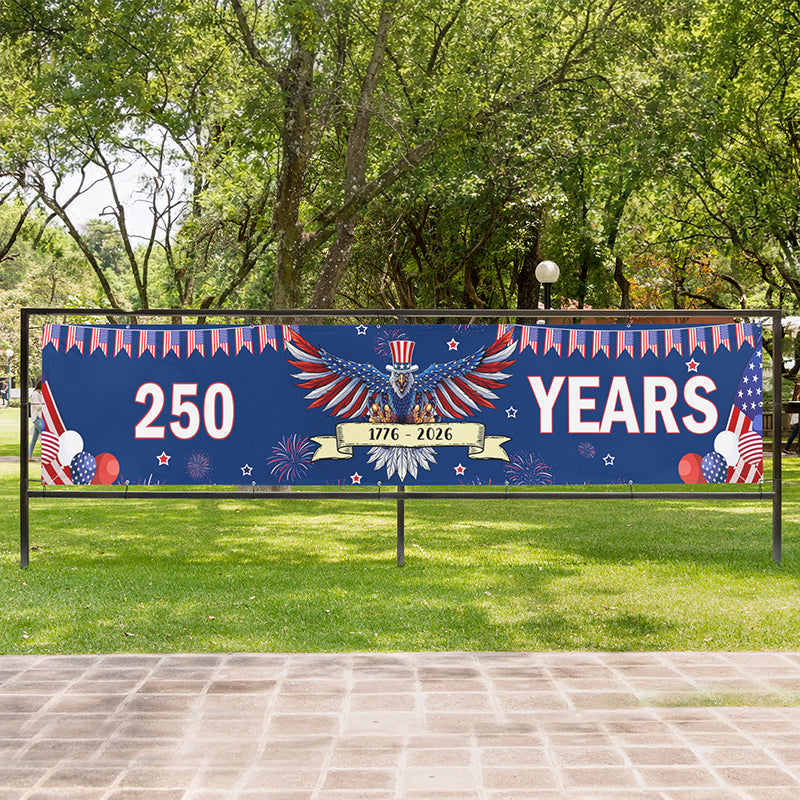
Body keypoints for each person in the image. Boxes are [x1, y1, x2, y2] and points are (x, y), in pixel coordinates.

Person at [28, 379, 44, 460]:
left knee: (34, 438)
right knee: (44, 435)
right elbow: (38, 407)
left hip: (39, 417)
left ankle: (29, 455)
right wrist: (44, 405)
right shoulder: (35, 394)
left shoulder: (39, 393)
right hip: (36, 418)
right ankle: (47, 455)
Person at [784, 382, 800, 455]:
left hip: (796, 416)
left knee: (794, 433)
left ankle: (788, 448)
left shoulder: (796, 395)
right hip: (797, 417)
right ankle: (787, 448)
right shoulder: (798, 396)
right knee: (794, 433)